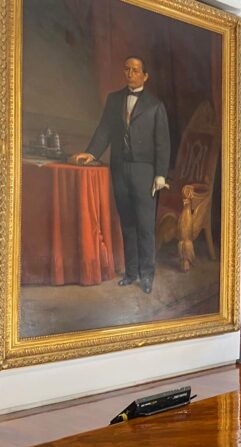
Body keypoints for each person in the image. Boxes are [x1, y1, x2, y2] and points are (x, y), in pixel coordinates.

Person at [71, 56, 170, 294]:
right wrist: (91, 153)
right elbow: (104, 129)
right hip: (120, 169)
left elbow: (163, 143)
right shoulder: (114, 99)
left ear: (145, 76)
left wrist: (160, 175)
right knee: (127, 224)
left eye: (135, 70)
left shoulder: (156, 105)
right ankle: (131, 272)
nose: (130, 73)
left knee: (145, 226)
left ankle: (147, 276)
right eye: (127, 69)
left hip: (145, 172)